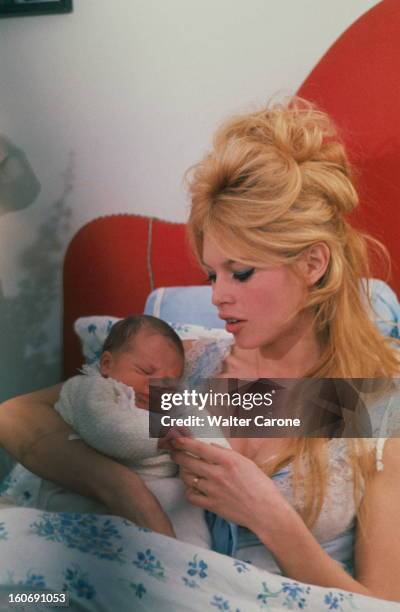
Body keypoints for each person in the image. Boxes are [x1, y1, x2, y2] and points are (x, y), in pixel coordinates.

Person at [0, 96, 399, 602]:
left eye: (242, 272)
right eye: (212, 274)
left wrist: (269, 516)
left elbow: (382, 603)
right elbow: (16, 415)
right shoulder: (183, 363)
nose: (217, 296)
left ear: (313, 263)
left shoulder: (371, 404)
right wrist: (124, 490)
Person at [1, 314, 230, 548]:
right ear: (107, 364)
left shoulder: (171, 399)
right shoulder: (92, 390)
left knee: (185, 510)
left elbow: (197, 418)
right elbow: (106, 428)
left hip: (164, 491)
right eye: (144, 371)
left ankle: (195, 564)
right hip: (91, 495)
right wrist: (158, 434)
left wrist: (217, 453)